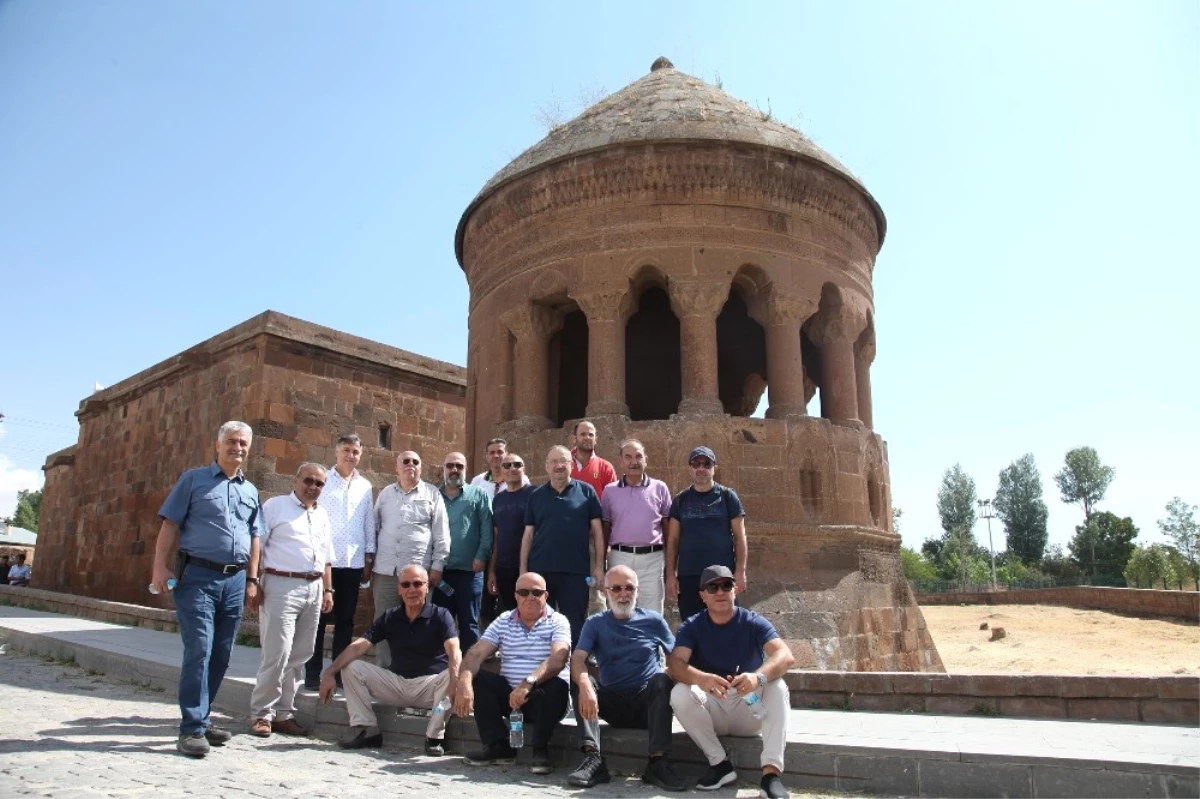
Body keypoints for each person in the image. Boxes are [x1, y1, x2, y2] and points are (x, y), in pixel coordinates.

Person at [152, 421, 263, 758]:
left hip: (234, 580)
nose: (238, 448)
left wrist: (252, 579)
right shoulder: (193, 480)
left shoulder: (251, 491)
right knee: (199, 649)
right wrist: (159, 566)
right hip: (197, 577)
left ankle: (203, 715)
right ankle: (191, 728)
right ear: (217, 445)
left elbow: (255, 536)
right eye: (231, 441)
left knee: (222, 653)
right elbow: (170, 523)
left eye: (243, 443)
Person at [667, 565, 796, 798]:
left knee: (778, 686)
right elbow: (675, 665)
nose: (720, 592)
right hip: (713, 708)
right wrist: (701, 678)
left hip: (749, 708)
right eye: (712, 587)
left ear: (735, 590)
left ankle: (770, 776)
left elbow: (785, 655)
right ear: (702, 595)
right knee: (679, 693)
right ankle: (719, 765)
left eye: (726, 585)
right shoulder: (692, 626)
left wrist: (758, 677)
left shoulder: (753, 621)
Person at [566, 565, 687, 791]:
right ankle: (593, 760)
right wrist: (585, 685)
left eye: (629, 588)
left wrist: (669, 674)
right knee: (579, 680)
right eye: (617, 588)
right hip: (611, 703)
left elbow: (677, 657)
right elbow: (578, 659)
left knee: (661, 681)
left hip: (645, 703)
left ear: (637, 592)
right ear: (606, 591)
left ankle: (658, 763)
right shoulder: (595, 623)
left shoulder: (654, 621)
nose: (623, 594)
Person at [320, 564, 460, 757]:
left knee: (452, 674)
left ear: (427, 587)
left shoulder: (441, 615)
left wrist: (456, 680)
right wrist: (329, 672)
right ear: (399, 589)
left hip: (430, 687)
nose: (412, 589)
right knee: (351, 667)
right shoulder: (390, 617)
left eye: (417, 584)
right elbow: (360, 645)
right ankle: (367, 730)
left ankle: (434, 738)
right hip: (396, 684)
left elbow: (454, 650)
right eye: (406, 584)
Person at [246, 464, 334, 737]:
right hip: (281, 584)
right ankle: (262, 713)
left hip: (313, 586)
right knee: (277, 652)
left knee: (300, 655)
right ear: (295, 480)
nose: (313, 487)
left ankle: (284, 713)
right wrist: (253, 581)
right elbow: (257, 543)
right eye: (308, 480)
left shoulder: (322, 515)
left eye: (320, 483)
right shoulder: (276, 506)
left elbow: (326, 557)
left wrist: (328, 590)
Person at [455, 572, 570, 775]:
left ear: (546, 595)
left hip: (543, 698)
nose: (530, 597)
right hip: (511, 699)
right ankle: (498, 746)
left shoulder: (558, 621)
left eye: (537, 592)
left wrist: (528, 682)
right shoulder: (503, 620)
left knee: (558, 685)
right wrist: (463, 681)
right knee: (478, 678)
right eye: (524, 592)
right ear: (515, 596)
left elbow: (557, 660)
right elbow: (475, 653)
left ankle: (540, 750)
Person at [305, 433, 376, 690]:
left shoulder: (365, 486)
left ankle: (338, 673)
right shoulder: (323, 481)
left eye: (355, 452)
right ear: (336, 452)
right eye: (346, 450)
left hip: (353, 561)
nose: (351, 456)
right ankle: (312, 675)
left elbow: (368, 521)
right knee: (319, 620)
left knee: (346, 620)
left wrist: (369, 557)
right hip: (326, 562)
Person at [371, 450, 449, 669]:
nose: (410, 465)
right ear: (397, 468)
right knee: (383, 624)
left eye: (416, 462)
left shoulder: (432, 494)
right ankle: (385, 675)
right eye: (405, 461)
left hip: (419, 574)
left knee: (421, 624)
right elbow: (375, 528)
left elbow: (441, 533)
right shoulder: (385, 494)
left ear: (421, 468)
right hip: (386, 572)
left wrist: (438, 565)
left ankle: (417, 675)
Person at [520, 445, 604, 646]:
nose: (559, 466)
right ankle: (542, 669)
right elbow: (528, 536)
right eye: (554, 462)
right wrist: (523, 570)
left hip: (575, 572)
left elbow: (598, 533)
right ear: (547, 466)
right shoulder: (536, 496)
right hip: (541, 572)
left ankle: (574, 670)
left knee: (574, 625)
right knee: (539, 624)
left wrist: (599, 566)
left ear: (572, 465)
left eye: (564, 461)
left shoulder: (587, 491)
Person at [665, 446, 748, 622]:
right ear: (690, 469)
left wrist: (740, 571)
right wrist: (671, 575)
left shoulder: (728, 497)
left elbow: (740, 537)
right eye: (696, 464)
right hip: (689, 577)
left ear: (714, 468)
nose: (701, 468)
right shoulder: (680, 500)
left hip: (722, 577)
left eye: (706, 463)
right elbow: (672, 540)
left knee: (727, 626)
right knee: (693, 627)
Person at [600, 439, 673, 614]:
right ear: (621, 461)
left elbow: (669, 529)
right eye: (628, 457)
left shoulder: (660, 488)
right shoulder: (609, 491)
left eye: (638, 456)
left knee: (652, 611)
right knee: (620, 610)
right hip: (619, 557)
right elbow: (604, 530)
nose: (634, 462)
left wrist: (671, 567)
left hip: (652, 559)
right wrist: (601, 565)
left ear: (645, 460)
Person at [435, 451, 492, 651]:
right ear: (443, 469)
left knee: (469, 624)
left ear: (465, 470)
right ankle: (443, 673)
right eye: (450, 466)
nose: (454, 470)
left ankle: (470, 674)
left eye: (459, 466)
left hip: (470, 571)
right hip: (441, 572)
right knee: (442, 623)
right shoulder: (434, 496)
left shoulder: (479, 495)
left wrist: (481, 556)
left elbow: (487, 529)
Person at [487, 454, 535, 614]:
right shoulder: (498, 499)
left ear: (524, 468)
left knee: (531, 613)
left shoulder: (535, 494)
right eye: (507, 465)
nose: (512, 468)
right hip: (503, 568)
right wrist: (492, 571)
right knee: (509, 615)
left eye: (517, 464)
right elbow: (496, 536)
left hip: (529, 566)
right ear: (501, 470)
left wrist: (526, 568)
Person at [570, 421, 616, 499]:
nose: (587, 438)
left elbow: (613, 499)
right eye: (583, 434)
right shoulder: (563, 465)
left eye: (591, 435)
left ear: (596, 440)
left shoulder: (605, 467)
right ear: (574, 439)